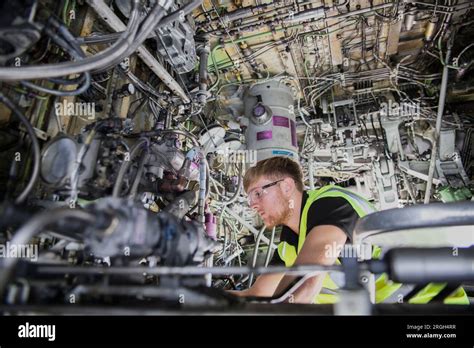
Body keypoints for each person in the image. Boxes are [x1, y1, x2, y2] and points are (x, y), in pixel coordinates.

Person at [230, 156, 469, 305]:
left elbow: (308, 280)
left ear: (286, 186)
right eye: (249, 197)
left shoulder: (330, 204)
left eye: (258, 193)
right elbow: (258, 294)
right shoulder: (288, 245)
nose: (252, 204)